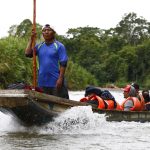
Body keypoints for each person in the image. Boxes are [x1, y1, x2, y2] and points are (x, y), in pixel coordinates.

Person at [25, 24, 69, 99]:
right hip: (42, 82)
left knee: (58, 101)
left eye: (49, 30)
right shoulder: (39, 46)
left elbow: (63, 63)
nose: (46, 32)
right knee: (43, 102)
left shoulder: (59, 46)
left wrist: (60, 79)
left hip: (55, 82)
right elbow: (28, 54)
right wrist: (31, 39)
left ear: (53, 33)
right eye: (44, 30)